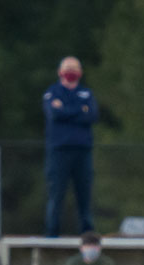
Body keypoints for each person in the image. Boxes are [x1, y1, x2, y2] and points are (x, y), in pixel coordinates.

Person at [43, 56, 99, 238]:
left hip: (82, 151)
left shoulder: (86, 94)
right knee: (56, 194)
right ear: (60, 72)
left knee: (84, 195)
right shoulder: (52, 92)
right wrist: (78, 110)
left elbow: (91, 116)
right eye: (68, 68)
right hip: (59, 151)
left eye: (74, 68)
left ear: (81, 73)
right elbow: (55, 114)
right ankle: (52, 234)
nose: (71, 71)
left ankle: (88, 235)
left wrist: (66, 110)